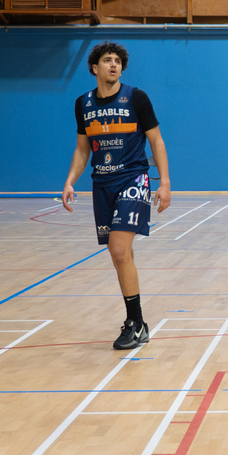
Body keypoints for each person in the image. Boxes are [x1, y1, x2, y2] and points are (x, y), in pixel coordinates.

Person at [61, 42, 171, 350]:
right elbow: (82, 149)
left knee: (119, 249)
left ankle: (135, 323)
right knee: (121, 255)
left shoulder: (136, 97)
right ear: (94, 68)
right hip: (102, 184)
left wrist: (164, 183)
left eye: (118, 61)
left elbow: (157, 141)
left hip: (133, 179)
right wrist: (69, 181)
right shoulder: (83, 103)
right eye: (107, 60)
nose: (114, 64)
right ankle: (139, 323)